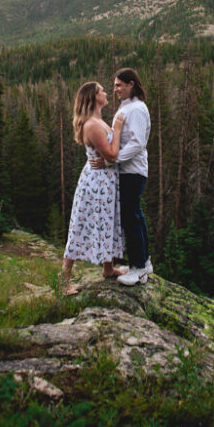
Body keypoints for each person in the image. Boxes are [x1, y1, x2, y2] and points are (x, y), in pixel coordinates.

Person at [61, 82, 127, 296]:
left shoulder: (97, 121)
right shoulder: (91, 125)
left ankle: (108, 269)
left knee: (107, 221)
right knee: (80, 225)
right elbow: (111, 155)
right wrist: (117, 129)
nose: (106, 92)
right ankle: (64, 282)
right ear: (93, 97)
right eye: (101, 90)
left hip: (104, 181)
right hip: (96, 184)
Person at [92, 68, 152, 286]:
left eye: (119, 85)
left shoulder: (135, 109)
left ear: (131, 85)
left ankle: (138, 268)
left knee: (131, 218)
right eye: (114, 85)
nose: (115, 89)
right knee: (135, 215)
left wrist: (111, 159)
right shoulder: (128, 106)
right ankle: (144, 262)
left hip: (132, 171)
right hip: (130, 170)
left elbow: (136, 144)